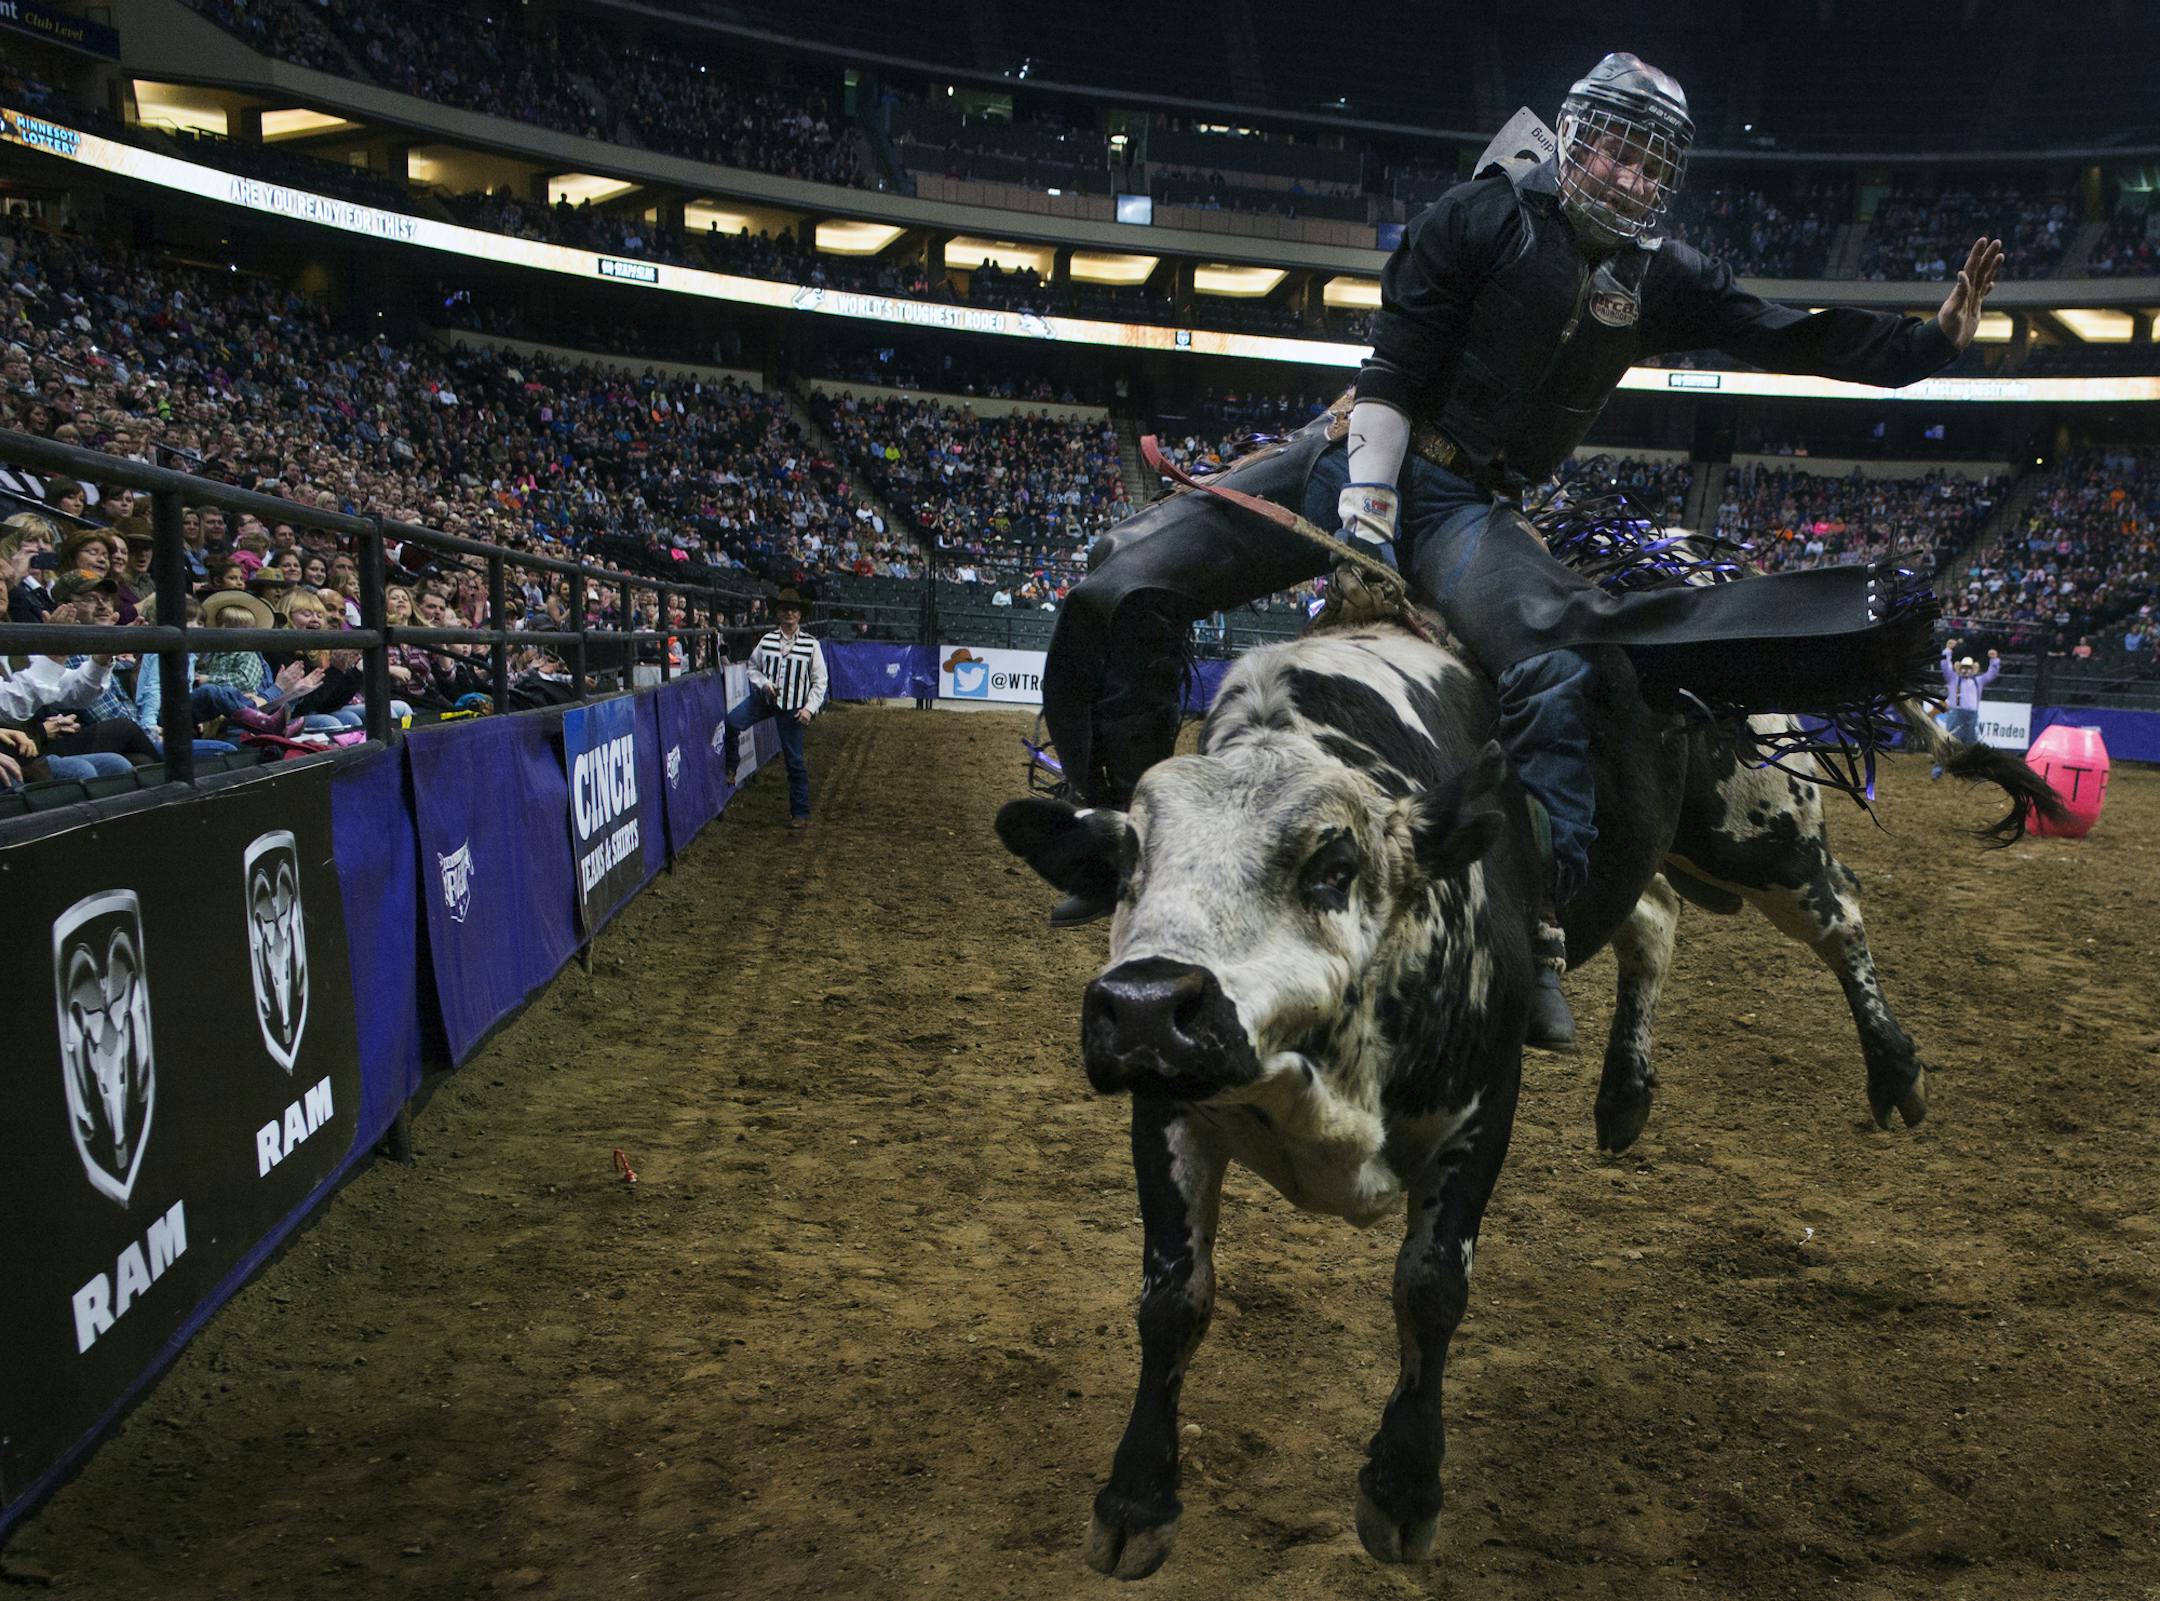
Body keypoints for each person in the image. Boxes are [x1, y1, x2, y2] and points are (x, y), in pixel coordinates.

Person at [1041, 52, 2002, 1050]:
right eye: (1617, 152)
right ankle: (1122, 839)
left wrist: (1926, 344)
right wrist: (1367, 518)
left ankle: (1541, 929)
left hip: (1464, 505)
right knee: (1122, 583)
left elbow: (1784, 333)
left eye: (1650, 164)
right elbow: (1394, 373)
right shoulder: (1479, 215)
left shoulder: (1662, 274)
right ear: (1576, 140)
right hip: (1356, 451)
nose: (1630, 177)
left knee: (1558, 661)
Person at [724, 586, 827, 827]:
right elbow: (752, 667)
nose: (789, 614)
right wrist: (764, 684)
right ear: (778, 614)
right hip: (765, 700)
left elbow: (820, 681)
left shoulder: (811, 645)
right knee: (732, 722)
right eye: (785, 610)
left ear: (800, 615)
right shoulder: (767, 640)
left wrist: (809, 708)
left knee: (795, 761)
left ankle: (800, 812)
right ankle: (731, 766)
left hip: (793, 708)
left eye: (794, 610)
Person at [1933, 638, 2001, 778]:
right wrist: (1948, 650)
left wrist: (1994, 661)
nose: (1965, 670)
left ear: (1972, 670)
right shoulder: (1953, 678)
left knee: (1971, 744)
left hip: (1970, 716)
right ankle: (1938, 770)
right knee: (1948, 741)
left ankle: (1972, 772)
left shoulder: (1978, 681)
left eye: (1968, 668)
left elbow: (1992, 674)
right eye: (1964, 668)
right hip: (1957, 715)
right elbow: (1945, 665)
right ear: (1960, 668)